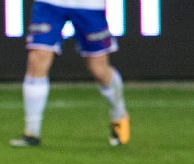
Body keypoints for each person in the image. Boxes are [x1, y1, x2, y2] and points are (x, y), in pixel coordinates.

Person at [10, 0, 129, 147]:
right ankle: (31, 132)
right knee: (38, 57)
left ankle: (119, 113)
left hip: (89, 5)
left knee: (98, 69)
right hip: (50, 4)